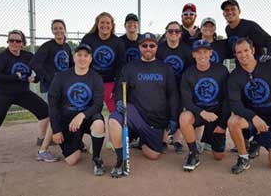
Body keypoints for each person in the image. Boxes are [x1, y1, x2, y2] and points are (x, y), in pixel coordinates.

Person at [0, 30, 56, 162]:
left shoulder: (27, 56)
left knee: (45, 111)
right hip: (3, 94)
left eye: (17, 41)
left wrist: (35, 79)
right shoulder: (2, 57)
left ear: (23, 43)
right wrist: (13, 77)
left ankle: (41, 139)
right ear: (8, 42)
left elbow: (38, 69)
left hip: (22, 93)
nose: (14, 43)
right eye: (11, 40)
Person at [108, 32, 179, 178]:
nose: (148, 48)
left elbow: (173, 94)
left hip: (156, 119)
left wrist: (173, 118)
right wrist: (120, 101)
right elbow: (120, 89)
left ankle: (142, 141)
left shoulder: (165, 68)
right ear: (139, 47)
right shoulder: (130, 67)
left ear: (156, 47)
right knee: (114, 120)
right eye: (144, 45)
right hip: (135, 114)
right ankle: (120, 160)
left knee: (153, 155)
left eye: (151, 45)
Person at [227, 38, 271, 174]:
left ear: (253, 50)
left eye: (246, 50)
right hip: (253, 120)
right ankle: (243, 158)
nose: (243, 55)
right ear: (235, 55)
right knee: (233, 122)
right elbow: (235, 104)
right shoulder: (234, 76)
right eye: (239, 52)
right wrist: (253, 117)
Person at [48, 43, 106, 176]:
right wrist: (56, 130)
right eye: (79, 55)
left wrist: (82, 115)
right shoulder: (61, 77)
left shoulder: (96, 78)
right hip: (68, 120)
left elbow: (98, 105)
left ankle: (96, 158)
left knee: (98, 124)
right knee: (71, 160)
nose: (82, 58)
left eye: (86, 55)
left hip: (87, 117)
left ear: (90, 59)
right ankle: (78, 142)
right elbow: (53, 105)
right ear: (73, 57)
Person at [179, 39, 230, 171]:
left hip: (216, 116)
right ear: (193, 54)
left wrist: (222, 124)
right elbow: (186, 101)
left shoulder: (221, 70)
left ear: (211, 53)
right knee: (184, 117)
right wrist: (202, 112)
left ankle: (207, 141)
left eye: (205, 52)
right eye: (198, 52)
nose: (202, 55)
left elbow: (227, 99)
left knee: (219, 156)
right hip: (199, 114)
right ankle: (193, 153)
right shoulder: (188, 74)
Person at [30, 19, 74, 151]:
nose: (58, 30)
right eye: (55, 28)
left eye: (60, 28)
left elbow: (71, 65)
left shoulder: (66, 47)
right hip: (50, 86)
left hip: (63, 86)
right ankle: (44, 144)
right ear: (52, 31)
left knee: (60, 112)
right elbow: (35, 63)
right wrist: (47, 77)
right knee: (56, 113)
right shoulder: (48, 46)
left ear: (65, 29)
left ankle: (46, 139)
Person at [157, 21, 194, 154]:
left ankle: (178, 140)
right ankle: (164, 139)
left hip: (181, 84)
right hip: (163, 85)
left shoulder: (185, 49)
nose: (173, 33)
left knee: (179, 110)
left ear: (180, 34)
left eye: (176, 31)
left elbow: (191, 68)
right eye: (170, 31)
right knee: (163, 109)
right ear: (166, 33)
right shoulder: (160, 48)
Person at [80, 12, 125, 113]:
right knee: (88, 112)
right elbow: (82, 60)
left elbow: (120, 66)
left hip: (110, 82)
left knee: (116, 113)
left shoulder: (117, 42)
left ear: (112, 25)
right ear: (97, 24)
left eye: (108, 23)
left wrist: (116, 87)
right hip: (92, 81)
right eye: (102, 22)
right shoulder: (88, 39)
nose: (105, 25)